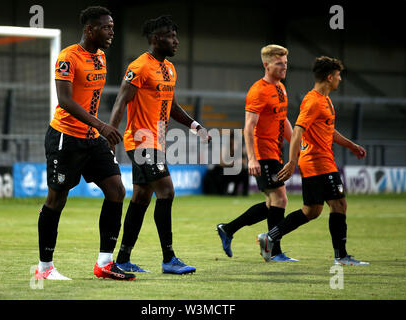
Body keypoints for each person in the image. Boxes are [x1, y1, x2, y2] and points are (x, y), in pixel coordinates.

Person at [34, 6, 136, 281]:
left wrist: (99, 130)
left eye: (113, 27)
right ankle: (44, 269)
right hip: (66, 137)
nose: (111, 32)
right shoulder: (68, 57)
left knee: (116, 190)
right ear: (89, 30)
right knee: (57, 199)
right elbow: (65, 101)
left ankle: (104, 263)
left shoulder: (101, 57)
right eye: (106, 27)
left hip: (92, 139)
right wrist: (102, 125)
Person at [109, 15, 210, 274]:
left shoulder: (169, 69)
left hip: (158, 142)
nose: (176, 41)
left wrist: (195, 126)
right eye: (170, 36)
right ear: (155, 39)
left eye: (176, 36)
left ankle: (122, 258)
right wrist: (110, 136)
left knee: (141, 198)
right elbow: (121, 101)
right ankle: (169, 259)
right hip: (142, 141)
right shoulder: (140, 66)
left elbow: (173, 107)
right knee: (167, 192)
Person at [258, 56, 369, 266]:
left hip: (320, 162)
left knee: (312, 211)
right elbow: (298, 131)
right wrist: (291, 162)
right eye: (338, 76)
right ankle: (341, 256)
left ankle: (270, 236)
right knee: (339, 204)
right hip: (319, 163)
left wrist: (351, 145)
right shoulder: (313, 101)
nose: (340, 80)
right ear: (329, 77)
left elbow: (328, 129)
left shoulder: (325, 100)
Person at [216, 45, 297, 261]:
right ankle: (274, 251)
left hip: (275, 152)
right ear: (266, 64)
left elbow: (283, 119)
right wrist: (252, 158)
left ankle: (229, 229)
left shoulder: (281, 88)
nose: (284, 67)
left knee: (273, 203)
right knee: (280, 198)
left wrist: (298, 143)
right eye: (279, 64)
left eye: (286, 64)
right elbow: (249, 126)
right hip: (263, 153)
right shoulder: (258, 91)